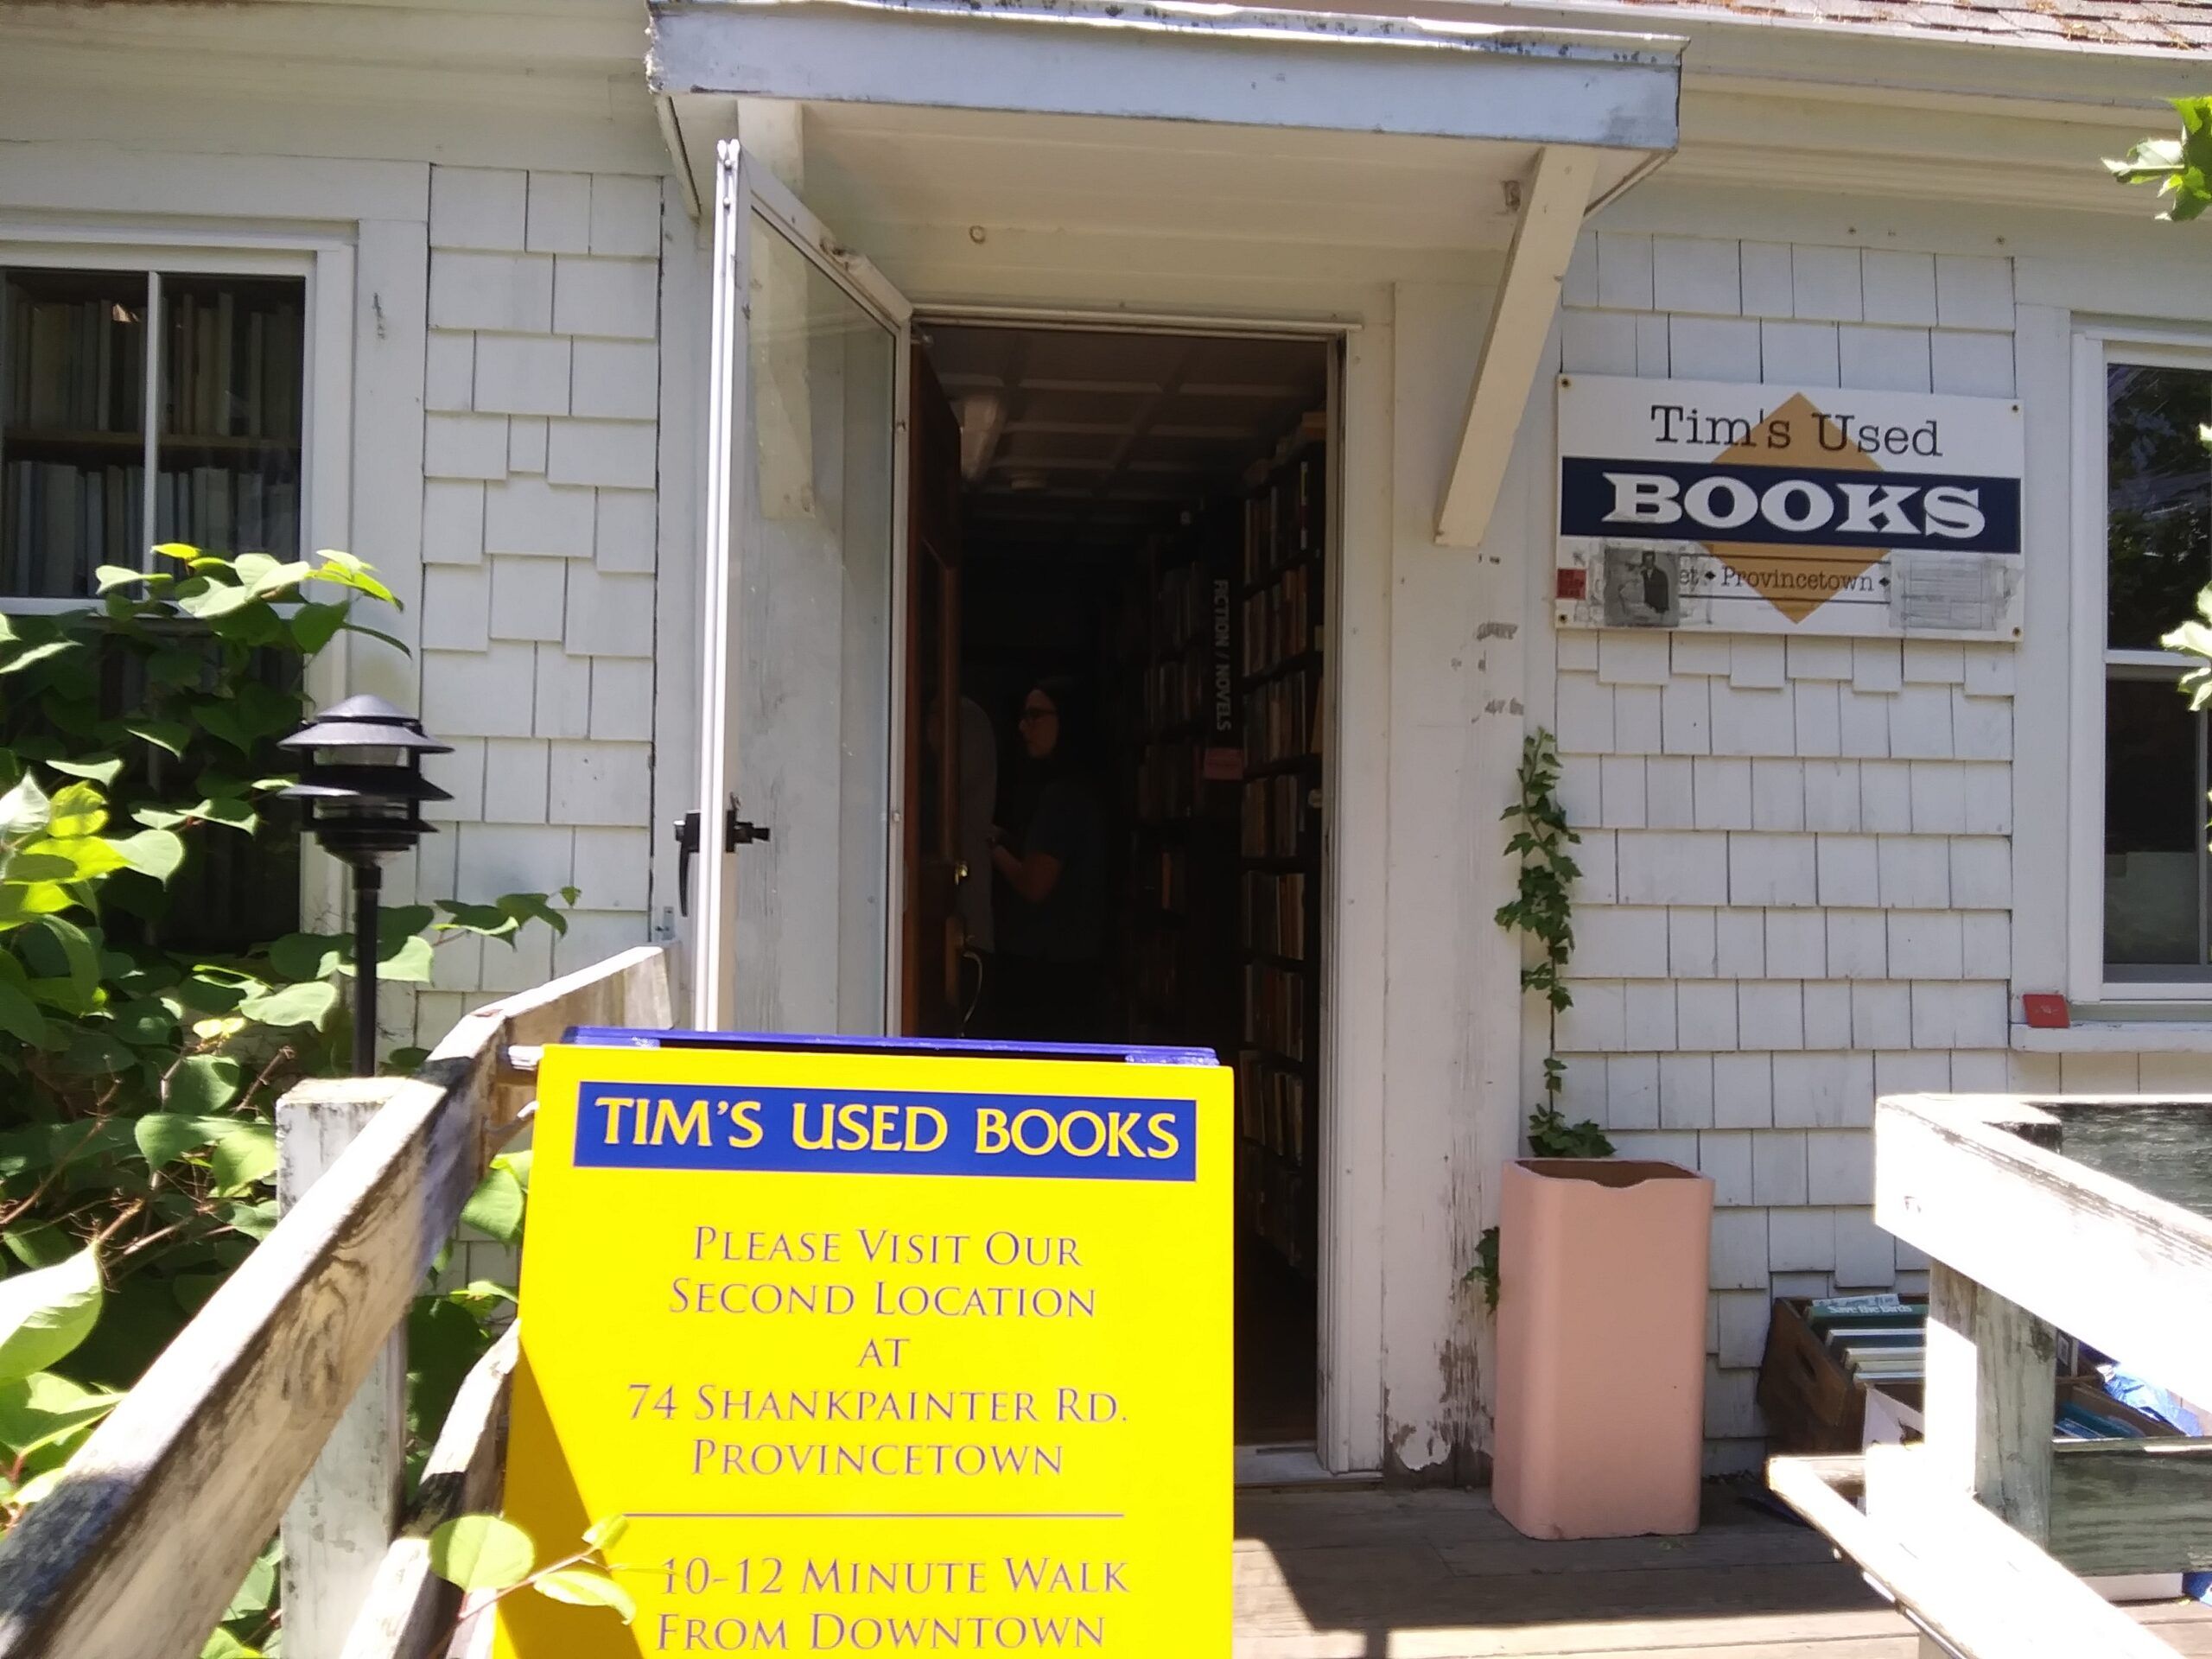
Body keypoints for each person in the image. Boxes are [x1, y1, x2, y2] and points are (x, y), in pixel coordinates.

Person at [987, 677, 1107, 1041]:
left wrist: (990, 849)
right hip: (1073, 967)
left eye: (1035, 716)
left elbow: (1035, 884)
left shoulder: (1063, 795)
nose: (1024, 727)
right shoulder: (1081, 787)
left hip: (1050, 973)